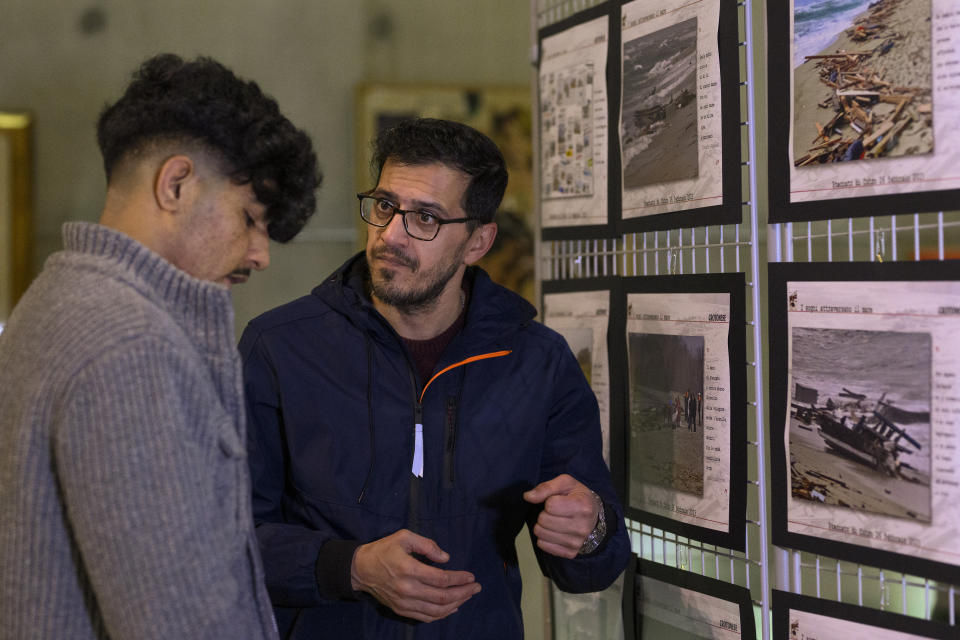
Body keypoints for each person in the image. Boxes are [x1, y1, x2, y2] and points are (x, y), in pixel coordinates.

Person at [240, 118, 629, 639]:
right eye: (384, 206)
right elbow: (228, 539)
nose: (391, 235)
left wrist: (589, 530)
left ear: (477, 241)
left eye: (425, 217)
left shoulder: (537, 361)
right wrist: (351, 567)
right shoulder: (279, 347)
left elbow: (593, 564)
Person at [0, 53, 321, 640]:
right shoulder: (129, 343)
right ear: (175, 184)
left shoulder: (57, 297)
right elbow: (182, 623)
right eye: (250, 218)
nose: (261, 254)